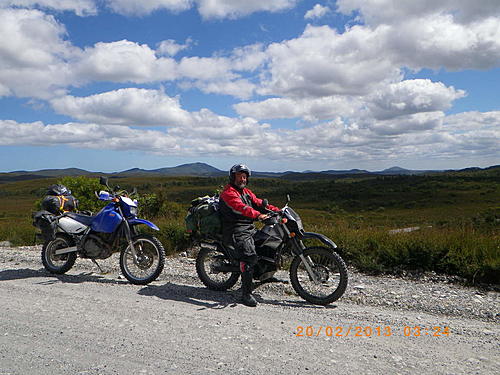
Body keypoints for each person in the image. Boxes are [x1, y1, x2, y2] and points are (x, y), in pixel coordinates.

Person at [219, 164, 280, 307]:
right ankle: (245, 294)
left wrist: (278, 211)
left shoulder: (246, 192)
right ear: (233, 177)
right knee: (249, 256)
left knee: (265, 243)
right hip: (235, 230)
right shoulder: (229, 193)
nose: (243, 179)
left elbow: (259, 203)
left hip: (248, 228)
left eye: (245, 176)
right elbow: (242, 208)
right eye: (239, 176)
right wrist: (259, 216)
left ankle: (264, 274)